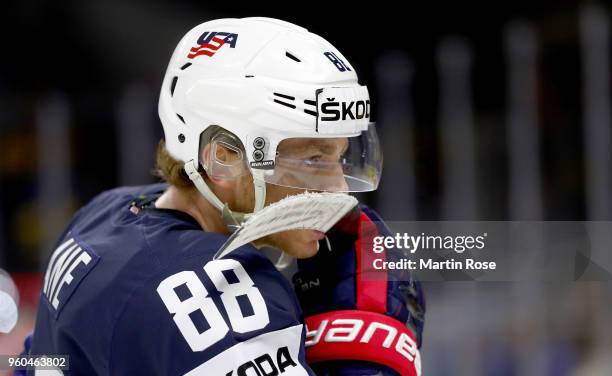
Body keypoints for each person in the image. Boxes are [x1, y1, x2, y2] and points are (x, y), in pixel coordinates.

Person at [19, 17, 424, 375]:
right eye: (314, 158)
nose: (337, 188)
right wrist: (368, 359)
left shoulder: (102, 213)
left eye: (340, 156)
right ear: (225, 158)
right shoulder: (220, 295)